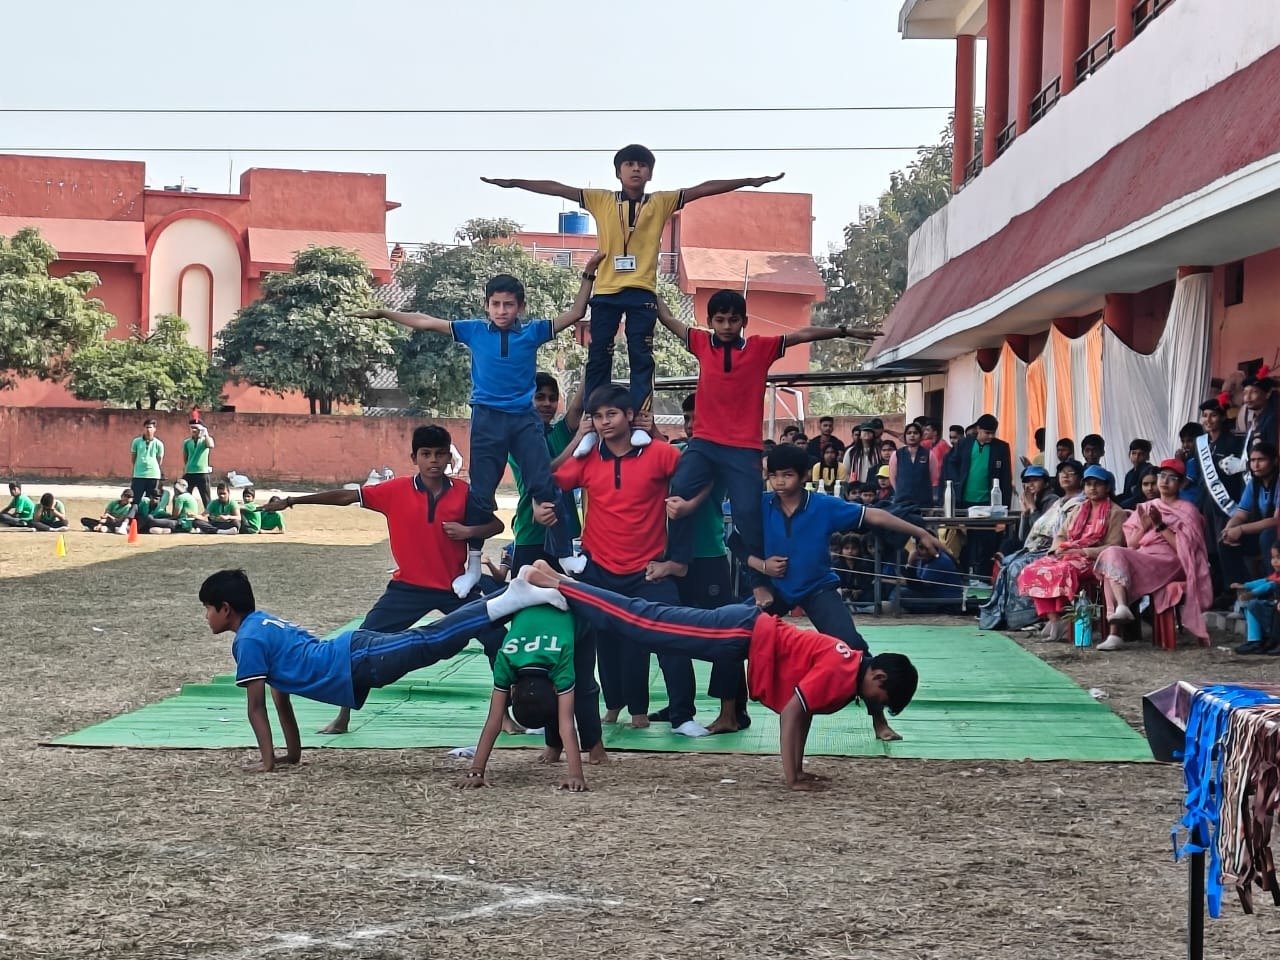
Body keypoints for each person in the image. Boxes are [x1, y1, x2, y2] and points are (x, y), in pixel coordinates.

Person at [522, 560, 918, 791]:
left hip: (742, 634)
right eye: (880, 700)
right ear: (878, 677)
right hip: (738, 632)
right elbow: (794, 715)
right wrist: (791, 778)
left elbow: (805, 713)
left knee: (643, 622)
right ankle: (555, 582)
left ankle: (562, 582)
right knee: (642, 621)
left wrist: (798, 771)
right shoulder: (844, 667)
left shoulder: (849, 665)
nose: (874, 705)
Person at [354, 255, 604, 596]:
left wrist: (588, 274)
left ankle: (565, 552)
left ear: (520, 307)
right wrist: (386, 313)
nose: (502, 310)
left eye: (509, 305)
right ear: (486, 306)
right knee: (481, 493)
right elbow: (425, 321)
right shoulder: (473, 331)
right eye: (496, 304)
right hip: (487, 418)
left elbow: (575, 314)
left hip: (523, 419)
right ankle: (472, 566)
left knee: (545, 484)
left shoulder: (531, 332)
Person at [482, 146, 784, 426]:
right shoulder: (600, 199)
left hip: (641, 293)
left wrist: (748, 181)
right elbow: (558, 188)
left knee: (641, 355)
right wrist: (514, 182)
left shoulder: (661, 201)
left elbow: (703, 189)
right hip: (605, 292)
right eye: (629, 164)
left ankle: (641, 417)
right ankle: (593, 416)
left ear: (650, 173)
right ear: (618, 172)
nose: (636, 170)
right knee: (599, 354)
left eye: (642, 165)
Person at [261, 425, 510, 735]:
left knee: (496, 639)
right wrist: (293, 501)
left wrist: (469, 532)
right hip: (407, 589)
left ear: (450, 457)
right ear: (414, 458)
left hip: (456, 587)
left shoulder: (464, 493)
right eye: (426, 454)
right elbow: (346, 496)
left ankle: (505, 716)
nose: (433, 460)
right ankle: (344, 716)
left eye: (440, 454)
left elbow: (495, 525)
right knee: (359, 645)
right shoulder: (395, 490)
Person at [201, 567, 567, 773]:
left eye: (208, 609)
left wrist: (266, 764)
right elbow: (281, 695)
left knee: (431, 639)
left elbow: (256, 707)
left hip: (356, 661)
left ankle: (510, 598)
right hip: (354, 654)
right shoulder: (262, 624)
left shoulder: (246, 641)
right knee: (434, 641)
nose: (207, 617)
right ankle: (507, 598)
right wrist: (291, 755)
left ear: (226, 608)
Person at [656, 289, 858, 608]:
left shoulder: (760, 348)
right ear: (709, 321)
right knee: (679, 488)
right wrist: (651, 294)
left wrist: (843, 331)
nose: (726, 326)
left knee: (748, 515)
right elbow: (669, 320)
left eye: (733, 320)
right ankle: (678, 559)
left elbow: (802, 334)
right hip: (705, 443)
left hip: (743, 447)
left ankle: (760, 582)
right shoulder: (700, 342)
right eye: (719, 320)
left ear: (744, 322)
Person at [745, 442, 945, 741]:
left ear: (802, 476)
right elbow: (740, 545)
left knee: (855, 647)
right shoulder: (760, 504)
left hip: (816, 587)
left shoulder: (823, 506)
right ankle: (730, 712)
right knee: (734, 634)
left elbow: (875, 516)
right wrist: (760, 579)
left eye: (786, 475)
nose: (779, 482)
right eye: (773, 476)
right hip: (773, 588)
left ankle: (879, 721)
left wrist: (920, 532)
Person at [552, 384, 702, 736]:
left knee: (671, 636)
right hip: (598, 569)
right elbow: (546, 480)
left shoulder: (659, 454)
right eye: (597, 416)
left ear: (630, 416)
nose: (605, 422)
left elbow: (701, 477)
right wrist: (578, 439)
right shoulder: (587, 458)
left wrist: (688, 509)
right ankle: (601, 707)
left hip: (648, 570)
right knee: (591, 640)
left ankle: (682, 716)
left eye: (612, 414)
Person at [668, 391, 751, 734]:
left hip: (710, 556)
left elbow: (706, 485)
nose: (690, 425)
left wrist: (686, 506)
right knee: (672, 633)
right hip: (675, 557)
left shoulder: (719, 456)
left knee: (724, 635)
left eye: (696, 418)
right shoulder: (682, 453)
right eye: (686, 419)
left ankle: (730, 712)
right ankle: (679, 707)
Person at [460, 604, 593, 791]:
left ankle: (596, 747)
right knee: (582, 689)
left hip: (574, 613)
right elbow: (566, 724)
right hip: (535, 602)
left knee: (586, 686)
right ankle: (591, 747)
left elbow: (494, 721)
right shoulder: (506, 659)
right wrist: (575, 775)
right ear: (513, 692)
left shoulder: (560, 661)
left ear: (511, 691)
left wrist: (476, 772)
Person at [1094, 458, 1212, 651]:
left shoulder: (1188, 511)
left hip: (1172, 562)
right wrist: (1146, 526)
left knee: (1112, 557)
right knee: (1112, 557)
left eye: (1171, 478)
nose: (1164, 481)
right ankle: (1120, 612)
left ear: (1182, 483)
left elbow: (1185, 550)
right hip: (1145, 557)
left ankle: (1115, 630)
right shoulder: (1148, 506)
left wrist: (1159, 525)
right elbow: (1132, 543)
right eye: (1162, 476)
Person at [1015, 466, 1126, 642]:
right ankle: (1055, 620)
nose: (1092, 488)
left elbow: (1114, 546)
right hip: (1068, 555)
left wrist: (1082, 551)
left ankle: (1065, 622)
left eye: (1097, 484)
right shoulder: (1079, 509)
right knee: (1031, 570)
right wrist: (1057, 549)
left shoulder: (1116, 513)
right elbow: (1061, 535)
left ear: (1108, 488)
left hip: (1094, 560)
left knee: (1061, 571)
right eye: (1088, 484)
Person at [980, 461, 1083, 631]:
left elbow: (1048, 532)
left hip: (1054, 548)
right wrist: (1025, 512)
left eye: (1035, 480)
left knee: (1017, 566)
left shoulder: (1055, 500)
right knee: (1007, 564)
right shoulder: (1060, 501)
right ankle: (1006, 614)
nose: (1030, 485)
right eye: (1027, 481)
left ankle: (1029, 617)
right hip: (1039, 546)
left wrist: (1033, 508)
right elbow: (1025, 536)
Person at [508, 372, 583, 575]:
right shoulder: (517, 439)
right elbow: (544, 473)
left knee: (565, 601)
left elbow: (579, 404)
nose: (547, 403)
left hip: (565, 534)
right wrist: (577, 441)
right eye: (539, 397)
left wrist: (596, 354)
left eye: (552, 398)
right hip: (532, 534)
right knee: (524, 602)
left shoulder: (559, 432)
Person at [1191, 397, 1246, 602]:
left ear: (1222, 417)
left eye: (1213, 415)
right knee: (1209, 547)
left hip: (1227, 501)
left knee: (1225, 544)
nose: (1208, 420)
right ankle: (1215, 588)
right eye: (1205, 416)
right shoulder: (1201, 444)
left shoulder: (1234, 442)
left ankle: (1230, 590)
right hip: (1206, 501)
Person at [945, 413, 1013, 577]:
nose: (990, 436)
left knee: (987, 544)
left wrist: (1005, 508)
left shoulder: (1001, 447)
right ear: (978, 429)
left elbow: (1005, 478)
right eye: (986, 433)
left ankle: (983, 578)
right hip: (965, 502)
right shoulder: (964, 444)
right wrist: (956, 482)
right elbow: (950, 463)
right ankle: (962, 577)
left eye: (992, 433)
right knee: (963, 543)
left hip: (989, 504)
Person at [1218, 441, 1280, 592]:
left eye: (1261, 460)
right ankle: (1236, 590)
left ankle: (1272, 589)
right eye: (1252, 460)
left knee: (1267, 537)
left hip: (1275, 532)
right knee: (1224, 542)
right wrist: (1229, 529)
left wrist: (1241, 529)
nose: (1256, 465)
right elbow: (1240, 514)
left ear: (1274, 461)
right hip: (1262, 530)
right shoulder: (1254, 483)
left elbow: (1276, 520)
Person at [1230, 542, 1280, 656]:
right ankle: (1254, 641)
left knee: (1254, 604)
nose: (1275, 561)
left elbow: (1269, 585)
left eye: (1279, 557)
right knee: (1248, 605)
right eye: (1273, 558)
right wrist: (1245, 585)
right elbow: (1264, 581)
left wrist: (1252, 593)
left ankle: (1266, 641)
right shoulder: (1275, 575)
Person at [891, 547, 964, 614]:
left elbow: (917, 587)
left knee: (898, 593)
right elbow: (914, 582)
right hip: (934, 594)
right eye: (921, 547)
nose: (924, 551)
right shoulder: (925, 559)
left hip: (947, 601)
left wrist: (910, 563)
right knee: (897, 591)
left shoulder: (939, 560)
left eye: (926, 548)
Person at [888, 421, 938, 508]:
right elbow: (893, 477)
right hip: (902, 501)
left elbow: (933, 477)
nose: (912, 435)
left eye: (915, 433)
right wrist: (901, 491)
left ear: (921, 436)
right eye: (909, 433)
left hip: (924, 501)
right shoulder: (896, 454)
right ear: (905, 436)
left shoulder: (929, 454)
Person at [1237, 366, 1279, 452]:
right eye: (1245, 393)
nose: (1247, 397)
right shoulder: (1257, 418)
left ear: (1268, 394)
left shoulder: (1273, 419)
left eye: (1254, 392)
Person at [129, 418, 164, 505]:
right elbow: (133, 458)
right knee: (135, 498)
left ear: (155, 429)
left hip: (153, 475)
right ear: (143, 428)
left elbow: (159, 460)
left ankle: (148, 518)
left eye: (151, 427)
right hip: (139, 474)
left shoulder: (159, 443)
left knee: (151, 500)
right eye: (146, 427)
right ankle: (134, 517)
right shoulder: (136, 442)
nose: (148, 430)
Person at [181, 419, 215, 508]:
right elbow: (185, 457)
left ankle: (210, 517)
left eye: (196, 428)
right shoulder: (187, 442)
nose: (194, 430)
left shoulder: (205, 440)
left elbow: (211, 445)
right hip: (190, 472)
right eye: (192, 428)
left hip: (202, 472)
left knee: (206, 497)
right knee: (184, 494)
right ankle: (185, 514)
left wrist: (205, 432)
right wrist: (187, 467)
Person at [1120, 439, 1152, 505]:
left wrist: (1121, 505)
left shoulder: (1149, 471)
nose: (1137, 457)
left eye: (1141, 454)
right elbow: (1126, 495)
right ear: (1129, 455)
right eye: (1134, 453)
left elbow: (1139, 497)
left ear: (1147, 456)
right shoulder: (1129, 474)